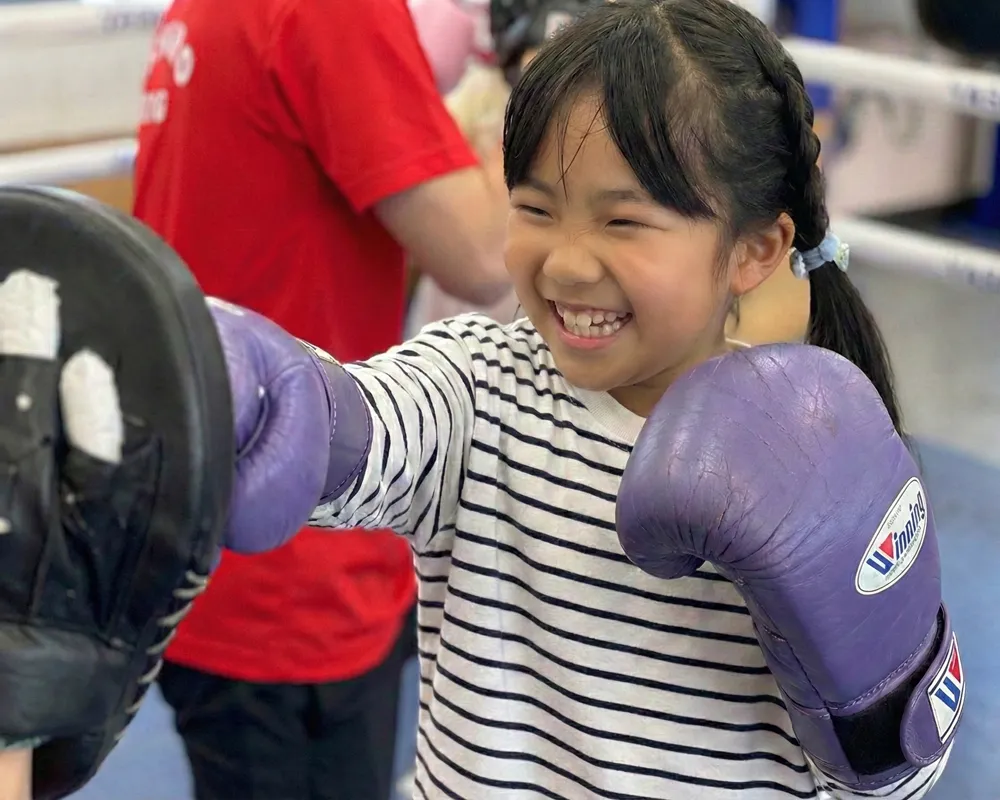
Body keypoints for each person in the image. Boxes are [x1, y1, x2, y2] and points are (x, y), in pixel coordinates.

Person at [0, 2, 963, 799]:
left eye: (624, 220)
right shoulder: (478, 385)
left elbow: (898, 770)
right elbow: (349, 427)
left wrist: (863, 669)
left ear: (755, 247)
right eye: (535, 207)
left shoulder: (824, 458)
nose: (568, 261)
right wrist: (221, 379)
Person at [131, 0, 509, 797]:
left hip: (213, 525)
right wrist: (540, 77)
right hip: (294, 555)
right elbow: (482, 257)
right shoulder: (331, 10)